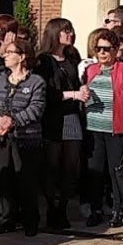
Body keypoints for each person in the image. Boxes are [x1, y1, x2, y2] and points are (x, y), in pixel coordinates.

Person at [0, 40, 46, 236]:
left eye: (10, 52)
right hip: (3, 138)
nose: (6, 55)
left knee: (26, 180)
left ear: (22, 56)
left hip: (27, 139)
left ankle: (29, 221)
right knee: (4, 180)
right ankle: (6, 219)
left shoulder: (36, 82)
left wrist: (13, 121)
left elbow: (36, 109)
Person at [81, 26, 123, 227]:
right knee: (95, 171)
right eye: (98, 49)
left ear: (115, 50)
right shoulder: (90, 71)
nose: (102, 53)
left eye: (106, 49)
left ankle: (119, 210)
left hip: (117, 129)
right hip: (94, 129)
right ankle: (96, 209)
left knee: (117, 172)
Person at [35, 18, 86, 231]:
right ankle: (51, 211)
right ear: (55, 33)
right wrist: (73, 94)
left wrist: (81, 92)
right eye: (65, 31)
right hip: (53, 118)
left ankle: (63, 208)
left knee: (69, 167)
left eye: (71, 31)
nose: (70, 34)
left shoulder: (72, 57)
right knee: (51, 167)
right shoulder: (43, 61)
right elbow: (45, 92)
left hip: (72, 116)